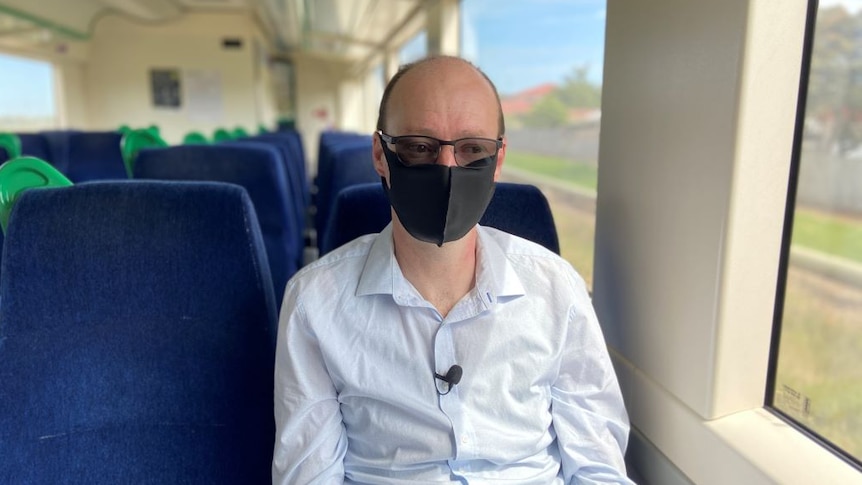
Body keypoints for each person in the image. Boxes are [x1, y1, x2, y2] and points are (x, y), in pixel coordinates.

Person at [273, 55, 633, 484]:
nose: (447, 168)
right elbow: (309, 475)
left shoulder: (557, 290)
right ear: (381, 155)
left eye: (472, 149)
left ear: (497, 161)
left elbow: (597, 467)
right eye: (419, 147)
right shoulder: (314, 301)